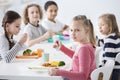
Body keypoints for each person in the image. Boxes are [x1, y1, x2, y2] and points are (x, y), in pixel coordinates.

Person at [48, 15, 96, 80]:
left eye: (77, 30)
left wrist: (58, 72)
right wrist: (62, 48)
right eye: (71, 30)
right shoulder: (86, 44)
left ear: (87, 31)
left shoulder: (84, 48)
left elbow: (83, 76)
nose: (73, 33)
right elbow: (77, 57)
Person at [98, 13, 120, 80]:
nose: (99, 27)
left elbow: (109, 59)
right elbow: (101, 42)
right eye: (98, 25)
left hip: (112, 70)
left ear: (110, 26)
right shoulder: (115, 37)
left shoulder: (109, 40)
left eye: (102, 25)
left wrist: (101, 67)